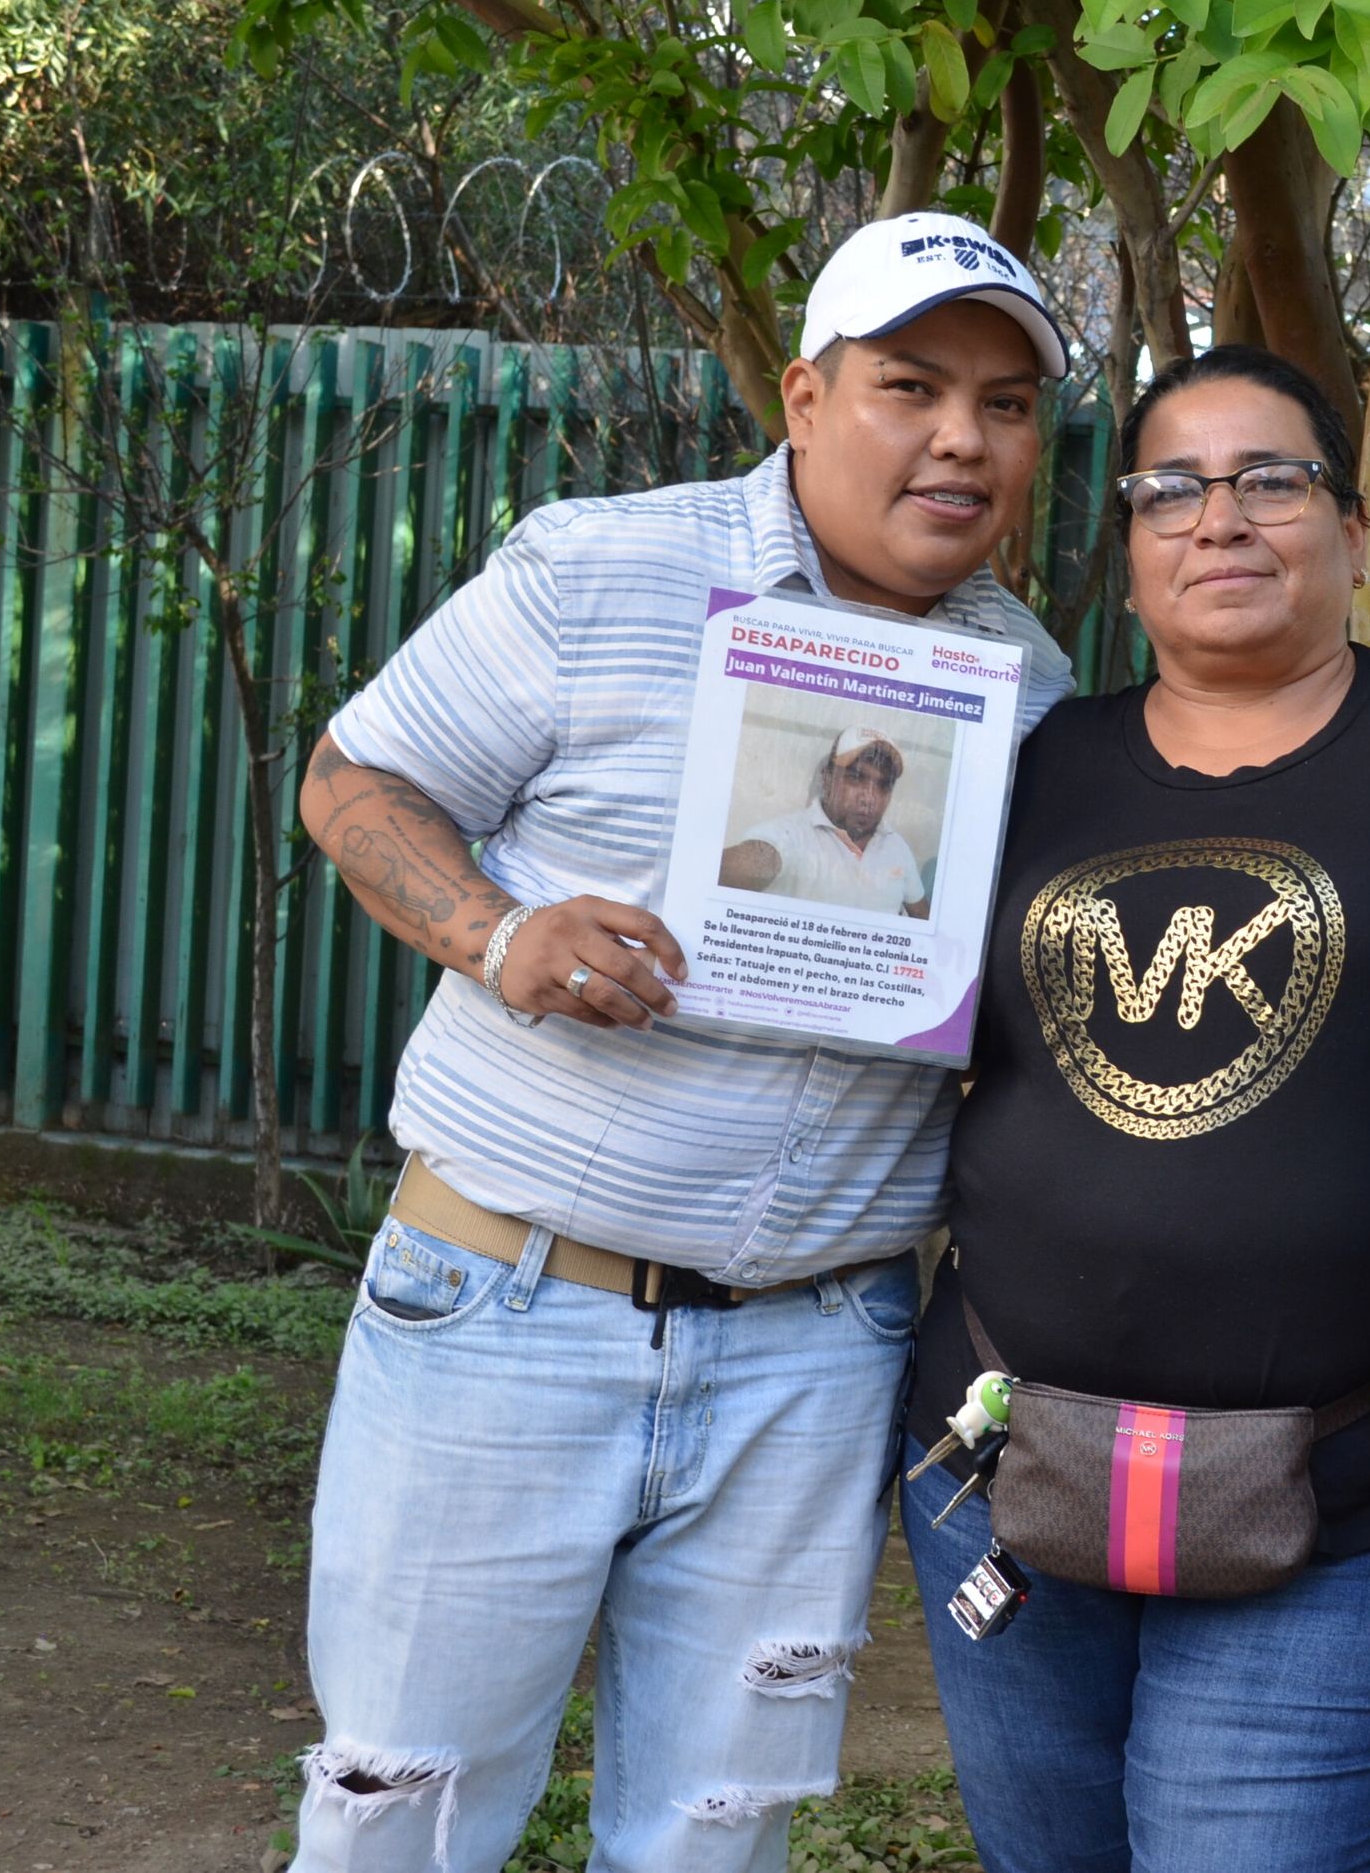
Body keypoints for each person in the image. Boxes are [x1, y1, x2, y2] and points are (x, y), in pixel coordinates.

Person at [287, 211, 1077, 1873]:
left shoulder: (1027, 686)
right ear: (803, 395)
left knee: (714, 1841)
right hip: (507, 1305)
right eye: (911, 386)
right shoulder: (604, 570)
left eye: (1006, 404)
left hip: (814, 1352)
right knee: (402, 1816)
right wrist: (501, 935)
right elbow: (352, 778)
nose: (962, 437)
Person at [897, 344, 1370, 1873]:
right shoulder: (1033, 764)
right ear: (1130, 551)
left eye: (1269, 479)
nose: (1219, 518)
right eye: (1171, 489)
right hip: (1006, 1472)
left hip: (1355, 1503)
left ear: (1352, 529)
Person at [721, 725, 930, 916]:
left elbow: (924, 919)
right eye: (856, 777)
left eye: (884, 785)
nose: (869, 798)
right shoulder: (790, 836)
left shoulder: (896, 846)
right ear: (827, 776)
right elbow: (747, 863)